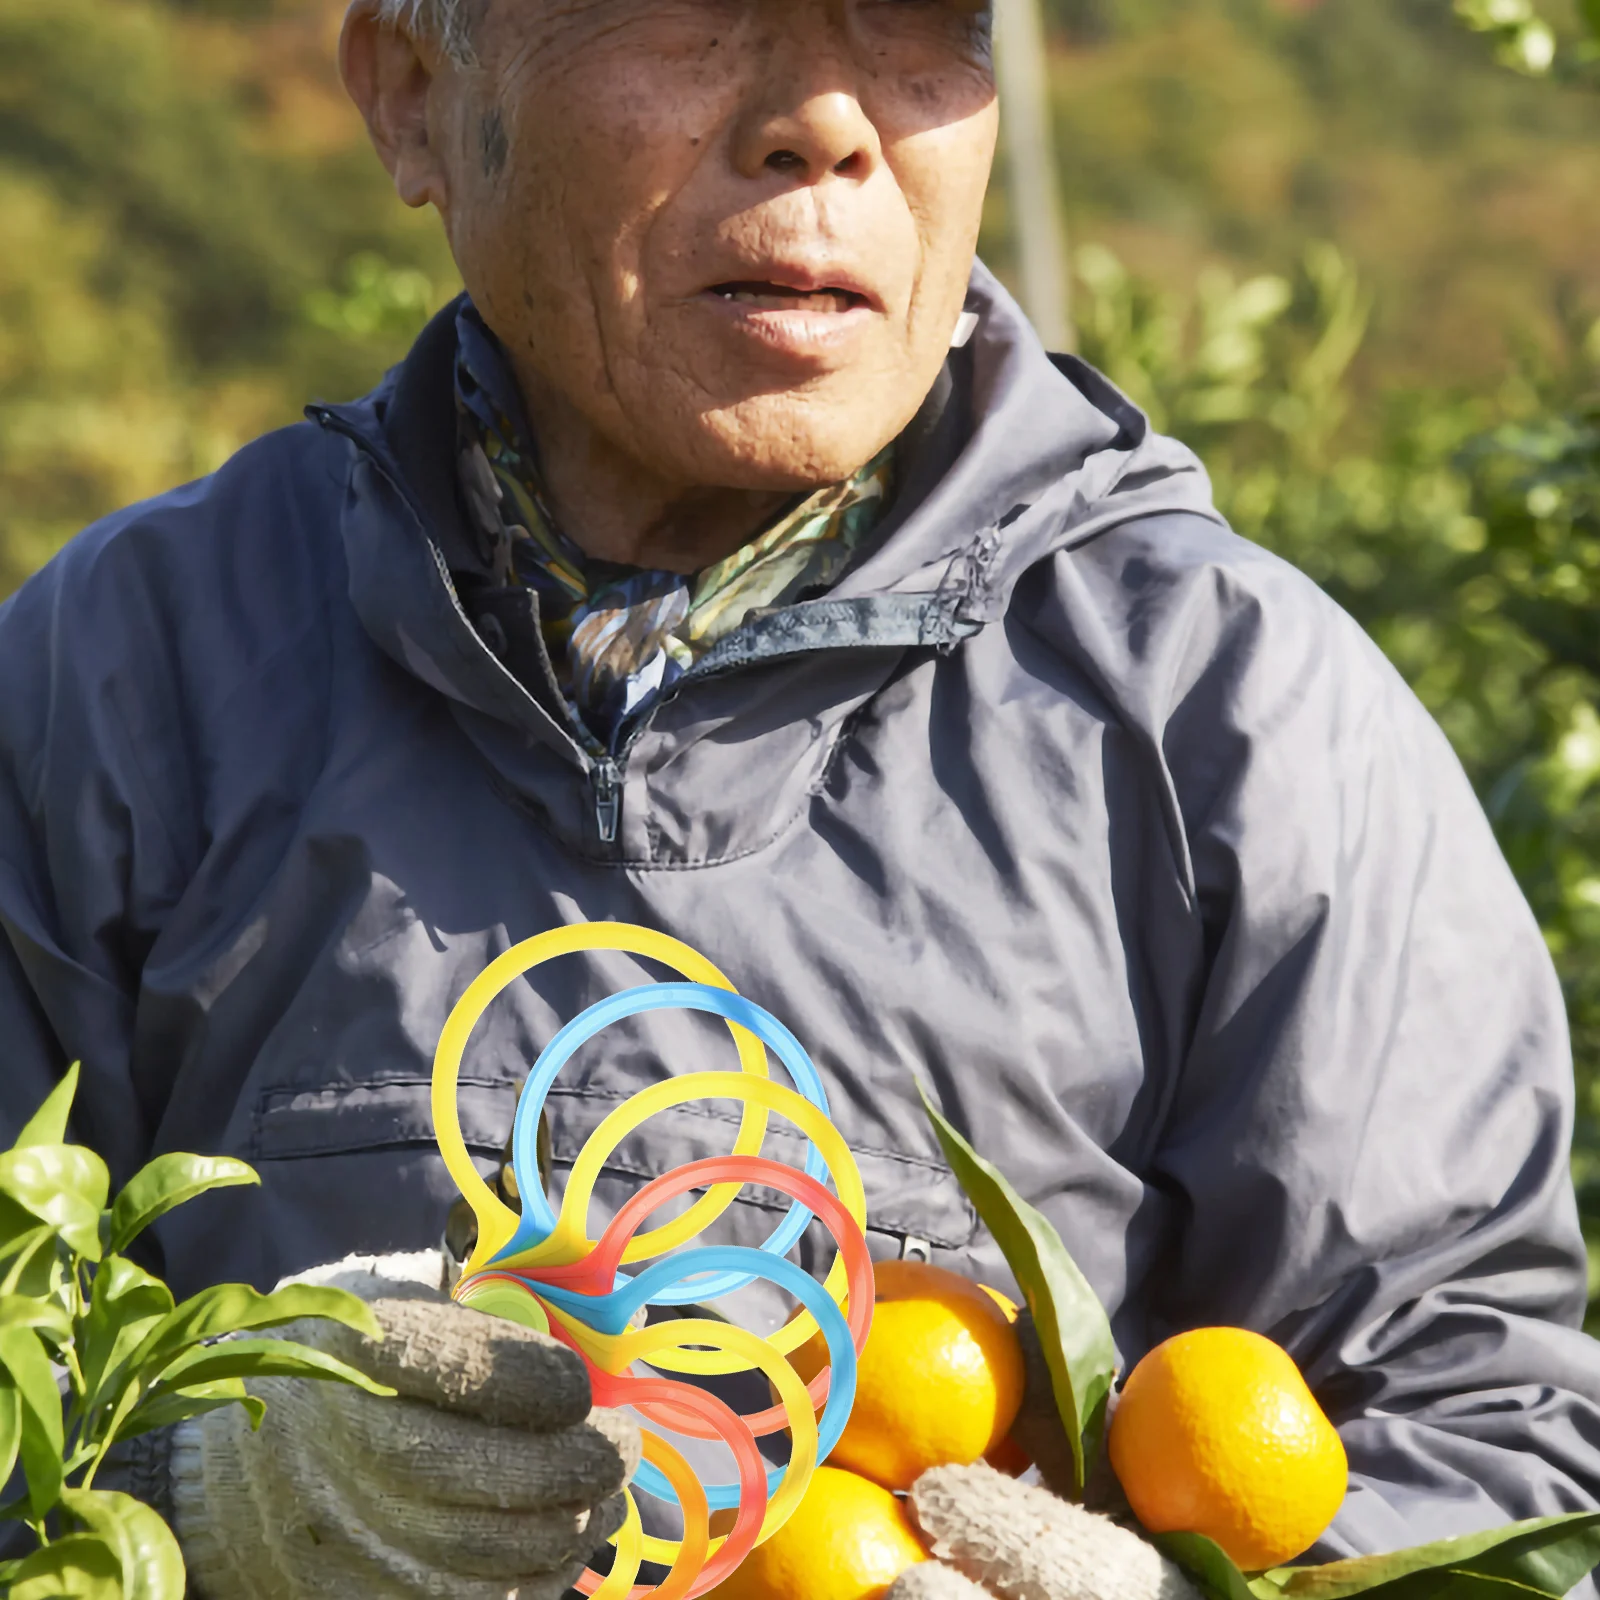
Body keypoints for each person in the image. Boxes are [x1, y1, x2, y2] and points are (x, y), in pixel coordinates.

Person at [2, 0, 1597, 1595]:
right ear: (417, 98)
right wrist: (168, 1496)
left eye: (924, 28)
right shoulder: (125, 676)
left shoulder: (1230, 712)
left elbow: (1485, 1445)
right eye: (695, 16)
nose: (826, 121)